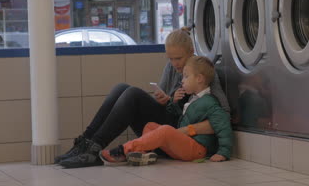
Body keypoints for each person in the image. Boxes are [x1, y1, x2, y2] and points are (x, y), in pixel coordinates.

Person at [57, 28, 230, 168]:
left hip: (178, 131)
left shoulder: (202, 71)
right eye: (170, 59)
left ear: (191, 52)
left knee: (133, 94)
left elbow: (224, 114)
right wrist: (165, 99)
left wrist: (186, 130)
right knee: (121, 88)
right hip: (167, 120)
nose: (174, 64)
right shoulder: (172, 67)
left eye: (179, 58)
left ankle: (94, 149)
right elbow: (164, 101)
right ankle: (84, 144)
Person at [99, 56, 232, 165]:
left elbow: (223, 124)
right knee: (150, 126)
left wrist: (223, 152)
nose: (182, 81)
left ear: (199, 79)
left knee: (166, 130)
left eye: (186, 76)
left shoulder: (210, 102)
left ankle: (123, 150)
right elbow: (184, 119)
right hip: (186, 143)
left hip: (197, 149)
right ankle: (143, 154)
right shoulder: (193, 99)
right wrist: (173, 103)